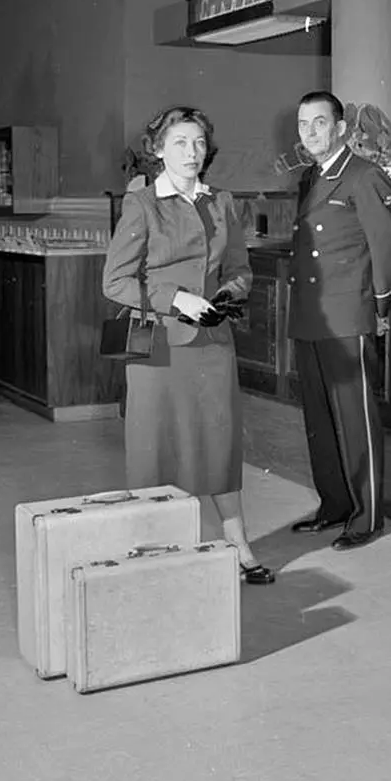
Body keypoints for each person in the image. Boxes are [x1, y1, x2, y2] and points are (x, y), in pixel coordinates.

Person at [102, 106, 274, 585]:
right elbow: (115, 282)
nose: (192, 152)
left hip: (212, 343)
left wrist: (226, 295)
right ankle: (154, 553)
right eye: (180, 143)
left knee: (218, 444)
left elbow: (240, 269)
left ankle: (239, 548)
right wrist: (177, 299)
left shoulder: (222, 201)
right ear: (158, 151)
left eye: (198, 143)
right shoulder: (142, 204)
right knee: (155, 449)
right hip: (157, 344)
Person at [287, 91, 391, 552]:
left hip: (347, 314)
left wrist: (380, 307)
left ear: (340, 129)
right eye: (303, 124)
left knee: (355, 420)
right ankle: (334, 503)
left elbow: (386, 248)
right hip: (311, 313)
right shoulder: (309, 178)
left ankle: (367, 514)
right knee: (319, 418)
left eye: (319, 123)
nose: (310, 132)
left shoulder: (362, 175)